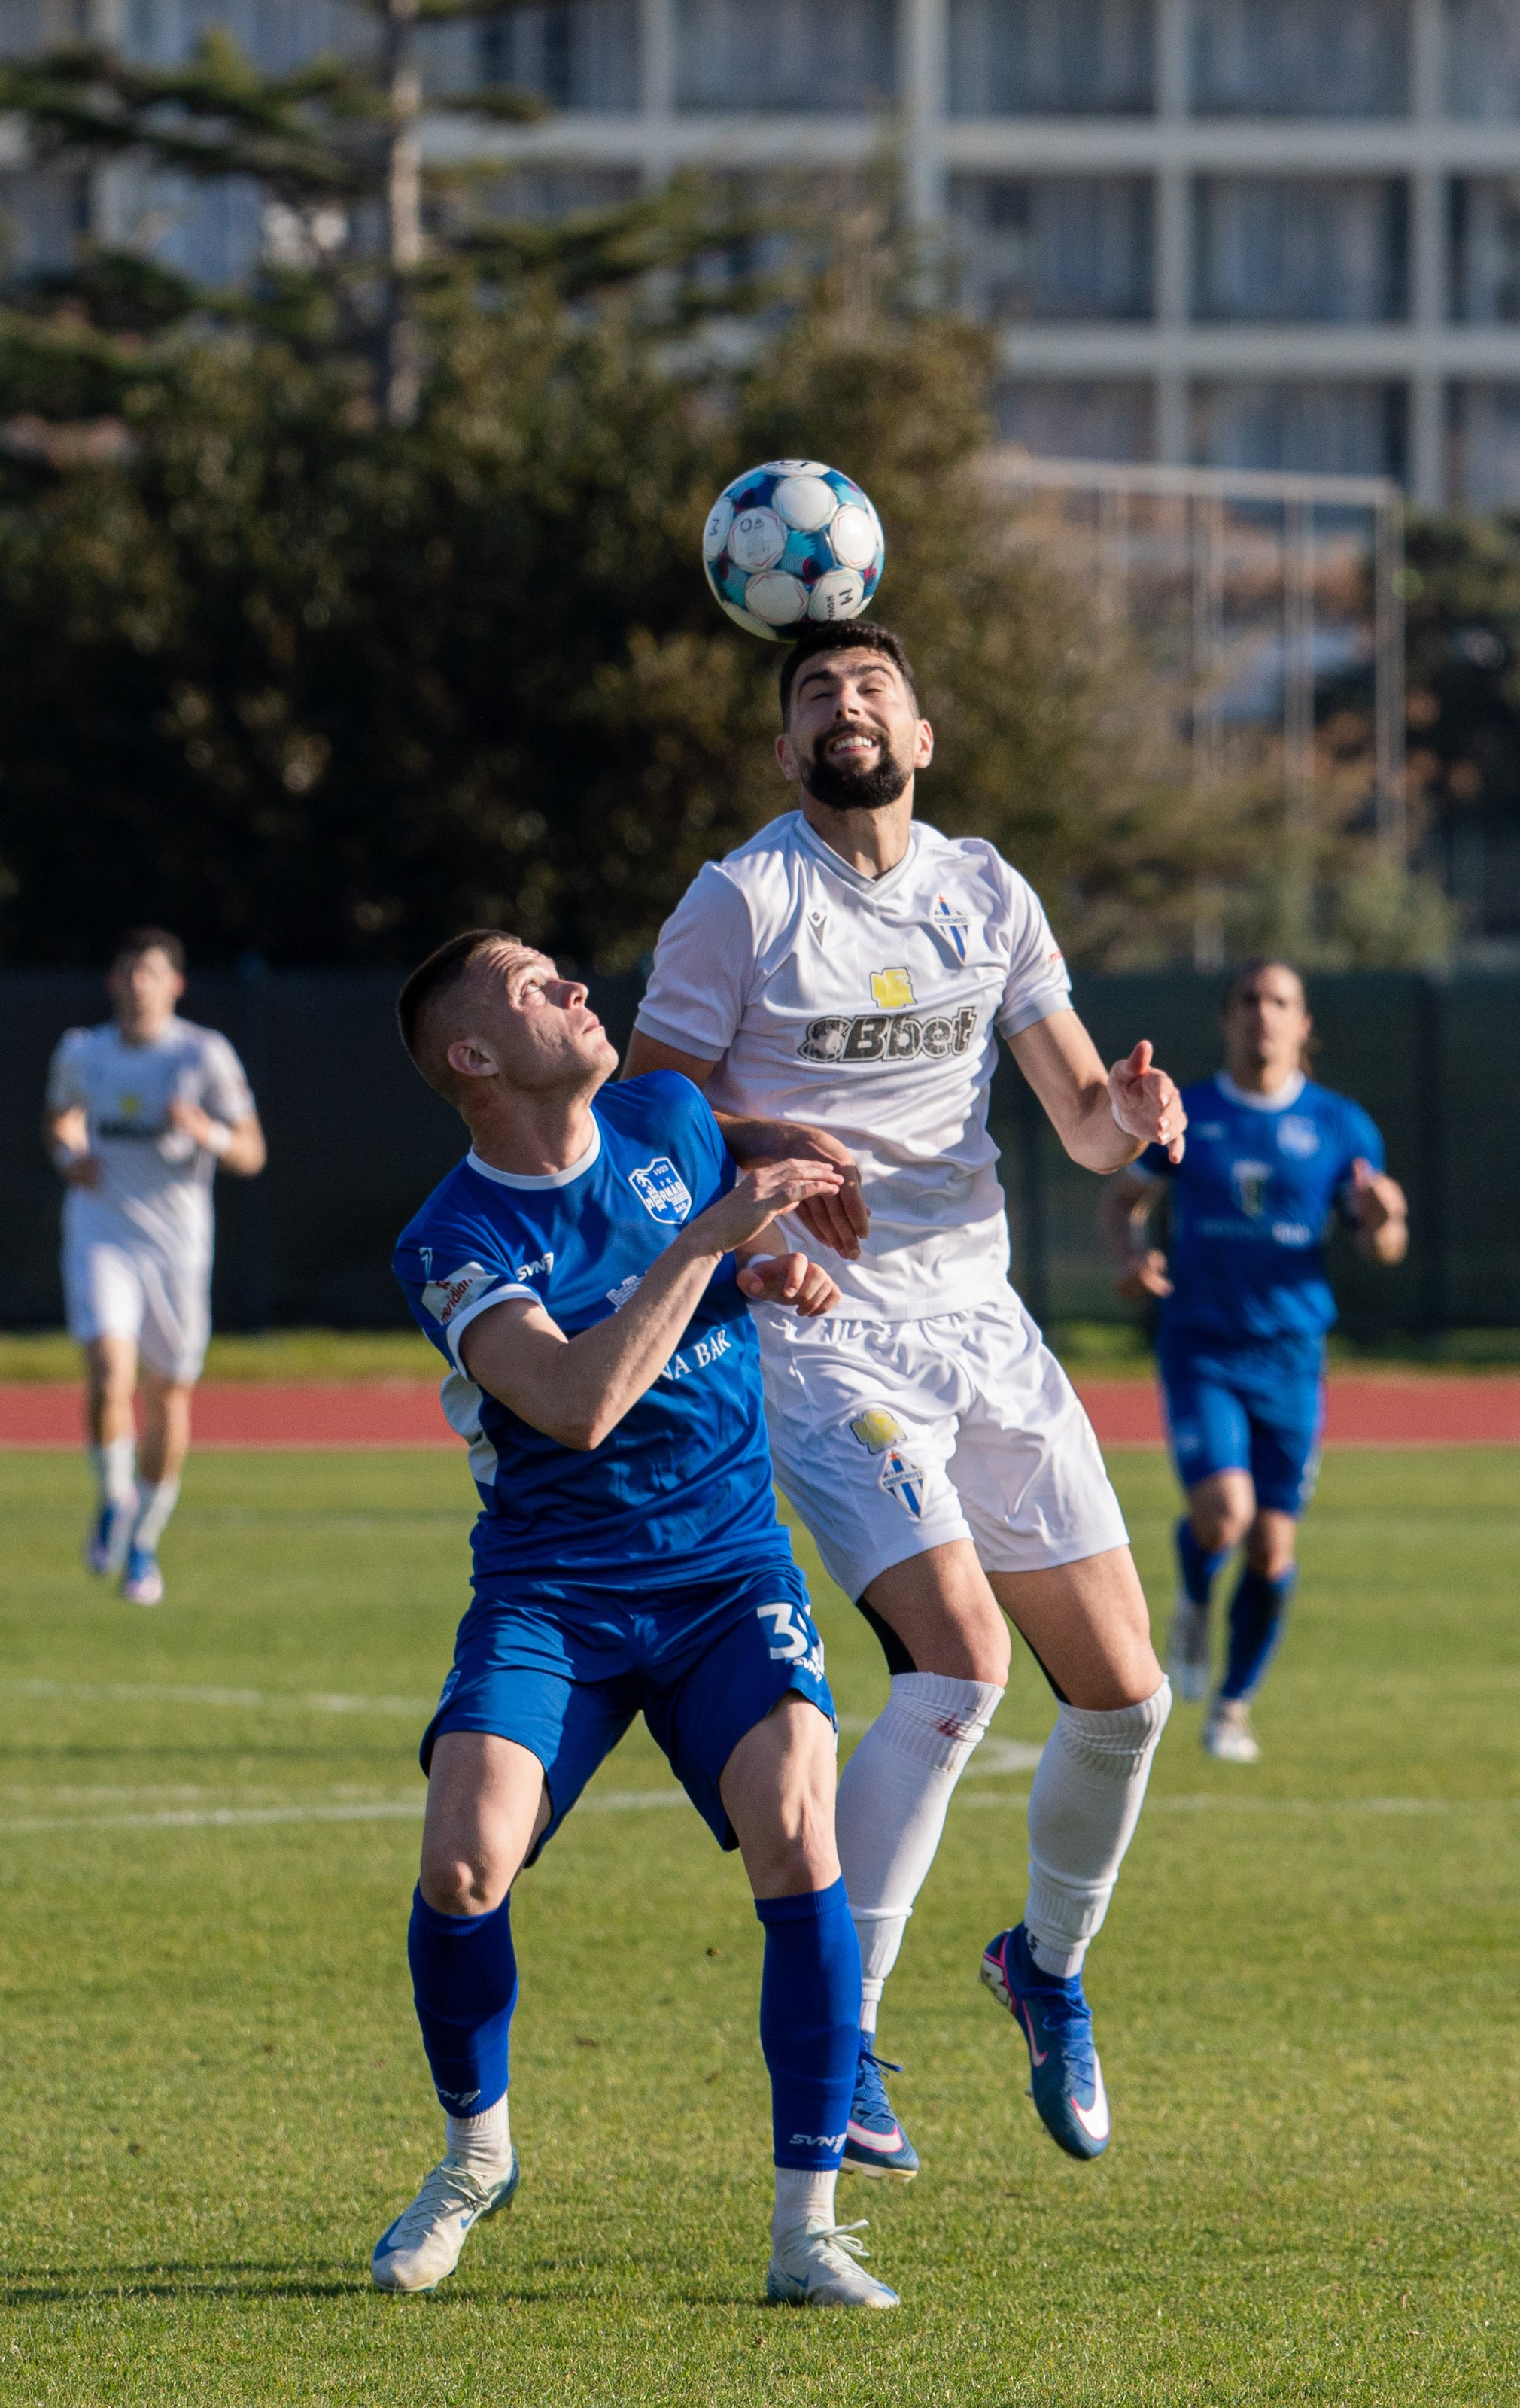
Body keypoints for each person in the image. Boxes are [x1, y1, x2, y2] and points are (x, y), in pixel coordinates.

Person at [623, 620, 1184, 2180]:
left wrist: (1129, 1117)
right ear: (785, 749)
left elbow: (1077, 1118)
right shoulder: (744, 899)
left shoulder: (985, 889)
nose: (842, 704)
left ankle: (1044, 1970)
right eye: (812, 694)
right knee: (960, 1658)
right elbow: (642, 1112)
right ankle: (845, 2030)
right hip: (822, 1337)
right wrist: (764, 1144)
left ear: (920, 735)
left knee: (1128, 1700)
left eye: (868, 687)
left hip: (979, 1326)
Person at [378, 927, 898, 2310]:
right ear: (474, 1058)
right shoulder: (453, 1237)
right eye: (535, 983)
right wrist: (719, 1238)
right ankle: (475, 2156)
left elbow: (719, 1212)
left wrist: (764, 1270)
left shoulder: (664, 1117)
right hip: (554, 1593)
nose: (576, 986)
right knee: (460, 1868)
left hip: (729, 1575)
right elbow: (575, 1405)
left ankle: (807, 2229)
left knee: (799, 1822)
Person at [1100, 959, 1408, 1765]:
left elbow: (1380, 1241)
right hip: (1201, 1345)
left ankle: (1231, 1705)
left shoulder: (1341, 1125)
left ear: (1304, 1024)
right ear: (1225, 1017)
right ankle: (1196, 1594)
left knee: (1272, 1550)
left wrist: (1384, 1222)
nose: (1262, 1014)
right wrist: (1131, 1257)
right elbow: (1123, 1200)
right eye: (1247, 1000)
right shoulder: (1188, 1113)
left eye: (1279, 1002)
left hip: (1291, 1356)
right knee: (1223, 1516)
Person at [43, 930, 265, 1607]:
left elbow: (251, 1152)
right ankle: (112, 1497)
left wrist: (210, 1134)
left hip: (176, 1248)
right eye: (130, 971)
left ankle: (143, 1540)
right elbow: (61, 1120)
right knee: (110, 1372)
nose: (140, 984)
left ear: (176, 985)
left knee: (169, 1394)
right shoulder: (83, 1051)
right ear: (115, 981)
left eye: (153, 973)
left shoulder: (203, 1055)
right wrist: (67, 1155)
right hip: (102, 1233)